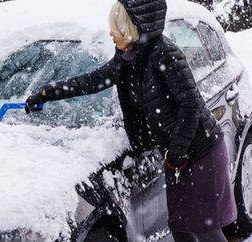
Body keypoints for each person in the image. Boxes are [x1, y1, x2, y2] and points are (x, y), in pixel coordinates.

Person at [25, 0, 237, 241]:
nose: (111, 33)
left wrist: (177, 153)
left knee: (204, 227)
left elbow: (191, 107)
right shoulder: (127, 58)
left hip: (201, 151)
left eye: (116, 27)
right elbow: (93, 81)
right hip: (177, 156)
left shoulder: (165, 54)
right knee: (181, 226)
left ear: (131, 28)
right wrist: (48, 92)